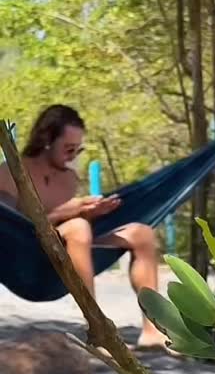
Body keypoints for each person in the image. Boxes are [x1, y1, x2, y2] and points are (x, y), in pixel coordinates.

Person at [0, 104, 167, 349]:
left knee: (141, 233)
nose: (73, 156)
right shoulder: (8, 173)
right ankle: (97, 327)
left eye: (78, 150)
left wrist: (94, 213)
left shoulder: (69, 178)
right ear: (47, 138)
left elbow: (71, 225)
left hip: (65, 253)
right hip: (28, 255)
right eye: (68, 148)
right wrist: (73, 211)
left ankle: (152, 331)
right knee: (78, 226)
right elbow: (10, 226)